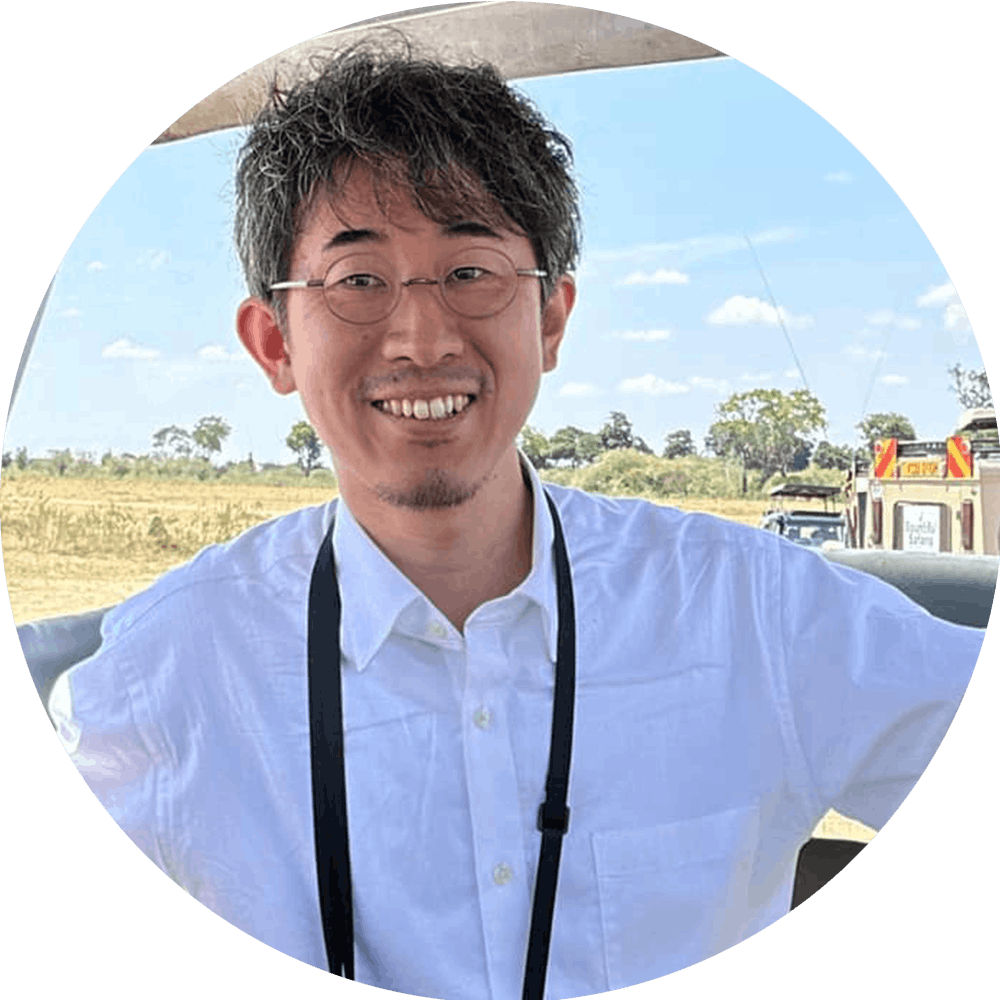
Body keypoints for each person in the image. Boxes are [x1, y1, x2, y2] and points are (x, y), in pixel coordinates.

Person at [49, 43, 983, 1000]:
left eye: (470, 270)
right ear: (274, 342)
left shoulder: (755, 615)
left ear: (550, 319)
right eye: (358, 280)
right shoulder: (164, 678)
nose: (421, 340)